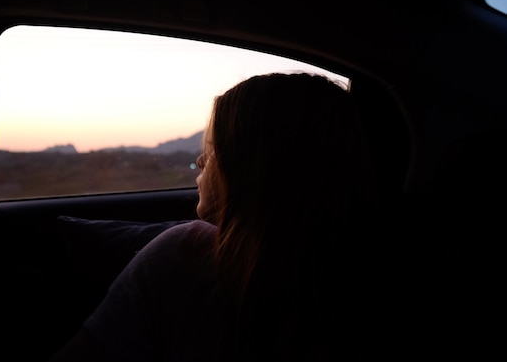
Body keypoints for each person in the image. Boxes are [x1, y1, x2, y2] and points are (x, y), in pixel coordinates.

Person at [48, 72, 379, 361]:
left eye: (214, 147)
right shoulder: (356, 277)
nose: (201, 160)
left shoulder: (185, 254)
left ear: (250, 170)